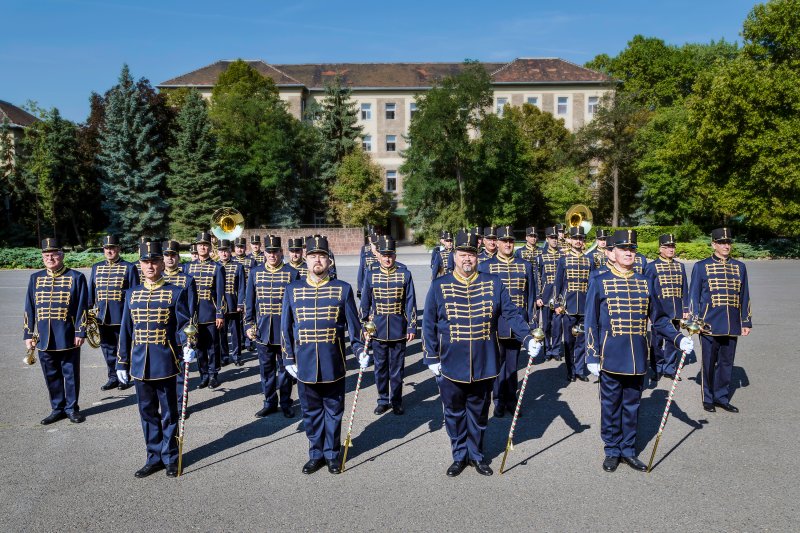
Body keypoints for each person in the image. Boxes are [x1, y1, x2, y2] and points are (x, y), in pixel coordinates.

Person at [423, 230, 542, 477]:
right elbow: (429, 324)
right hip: (450, 362)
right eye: (462, 254)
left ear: (477, 256)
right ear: (454, 256)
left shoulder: (493, 282)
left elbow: (510, 314)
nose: (467, 258)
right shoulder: (439, 285)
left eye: (471, 254)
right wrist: (431, 357)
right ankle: (459, 455)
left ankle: (476, 455)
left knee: (478, 413)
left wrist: (528, 337)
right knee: (454, 413)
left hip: (484, 361)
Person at [585, 230, 694, 472]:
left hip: (636, 356)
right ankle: (612, 450)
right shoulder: (599, 280)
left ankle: (628, 449)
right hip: (610, 354)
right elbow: (590, 322)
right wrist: (591, 355)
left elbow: (659, 319)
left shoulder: (645, 281)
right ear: (612, 253)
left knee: (632, 405)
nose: (628, 253)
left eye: (632, 249)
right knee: (611, 406)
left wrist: (678, 338)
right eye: (623, 249)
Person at [281, 236, 366, 475]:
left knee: (334, 410)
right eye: (312, 256)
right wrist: (288, 358)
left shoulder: (343, 289)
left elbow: (354, 327)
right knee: (310, 411)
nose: (317, 260)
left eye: (322, 256)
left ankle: (332, 453)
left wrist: (359, 351)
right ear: (305, 260)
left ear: (329, 261)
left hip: (333, 362)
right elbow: (286, 328)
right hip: (304, 363)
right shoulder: (292, 289)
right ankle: (315, 453)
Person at [116, 240, 193, 478]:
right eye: (145, 261)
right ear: (140, 264)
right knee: (147, 412)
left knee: (170, 413)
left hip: (166, 362)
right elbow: (126, 330)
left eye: (154, 261)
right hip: (140, 363)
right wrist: (121, 362)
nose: (150, 266)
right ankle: (153, 457)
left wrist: (189, 345)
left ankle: (170, 456)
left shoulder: (176, 292)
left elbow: (185, 326)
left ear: (161, 263)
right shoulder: (131, 294)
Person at [24, 238, 89, 425]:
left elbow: (81, 308)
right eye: (46, 255)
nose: (49, 258)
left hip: (68, 335)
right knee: (51, 374)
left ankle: (71, 408)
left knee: (70, 374)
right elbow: (29, 308)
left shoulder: (76, 277)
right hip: (44, 337)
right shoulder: (35, 278)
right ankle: (57, 408)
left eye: (53, 254)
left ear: (61, 255)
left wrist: (80, 331)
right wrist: (28, 334)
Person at [689, 227, 752, 413]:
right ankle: (708, 398)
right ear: (713, 244)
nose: (726, 245)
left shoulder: (740, 267)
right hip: (709, 323)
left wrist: (745, 321)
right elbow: (694, 296)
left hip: (732, 323)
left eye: (728, 242)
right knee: (708, 363)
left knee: (726, 363)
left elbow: (744, 296)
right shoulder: (701, 266)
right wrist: (694, 322)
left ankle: (721, 397)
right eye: (722, 242)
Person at [478, 226, 537, 418]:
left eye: (511, 241)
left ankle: (511, 400)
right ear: (498, 243)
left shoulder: (525, 265)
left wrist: (530, 323)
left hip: (518, 323)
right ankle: (498, 401)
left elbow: (530, 296)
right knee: (497, 363)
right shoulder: (486, 266)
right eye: (504, 241)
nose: (508, 244)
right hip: (496, 324)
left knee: (512, 364)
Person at [360, 236, 417, 415]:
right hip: (377, 329)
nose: (387, 258)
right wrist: (364, 327)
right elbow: (364, 304)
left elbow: (410, 303)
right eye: (384, 255)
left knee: (397, 368)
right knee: (380, 368)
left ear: (394, 255)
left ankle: (397, 400)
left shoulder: (405, 274)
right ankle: (383, 399)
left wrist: (412, 327)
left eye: (390, 255)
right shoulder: (371, 275)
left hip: (398, 329)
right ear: (380, 255)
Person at [246, 235, 299, 418]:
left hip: (284, 331)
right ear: (264, 253)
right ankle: (269, 402)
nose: (272, 255)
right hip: (262, 331)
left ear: (281, 252)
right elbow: (250, 302)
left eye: (275, 251)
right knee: (266, 370)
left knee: (285, 370)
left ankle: (285, 402)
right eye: (269, 251)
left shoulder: (291, 273)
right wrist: (248, 323)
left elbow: (296, 305)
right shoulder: (255, 272)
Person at [88, 234, 139, 391]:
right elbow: (92, 290)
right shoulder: (96, 267)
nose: (109, 251)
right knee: (106, 347)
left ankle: (124, 376)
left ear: (118, 249)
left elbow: (134, 293)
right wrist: (88, 311)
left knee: (121, 347)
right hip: (102, 315)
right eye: (107, 248)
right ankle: (112, 377)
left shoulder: (129, 267)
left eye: (113, 248)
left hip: (122, 315)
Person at [644, 234, 689, 381]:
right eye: (667, 247)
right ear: (660, 248)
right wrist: (648, 312)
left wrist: (686, 308)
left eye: (672, 246)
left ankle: (670, 368)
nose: (671, 249)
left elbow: (685, 290)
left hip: (675, 310)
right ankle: (657, 368)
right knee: (656, 342)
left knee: (672, 341)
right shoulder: (651, 267)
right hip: (659, 311)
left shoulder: (679, 266)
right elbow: (648, 291)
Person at [185, 232, 225, 388]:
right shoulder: (188, 267)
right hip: (193, 314)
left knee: (213, 345)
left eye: (205, 244)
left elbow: (221, 293)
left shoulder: (217, 267)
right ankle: (203, 374)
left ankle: (214, 374)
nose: (202, 247)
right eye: (200, 244)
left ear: (210, 247)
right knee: (199, 346)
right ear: (196, 247)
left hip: (210, 312)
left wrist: (220, 313)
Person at [554, 226, 594, 383]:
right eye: (576, 238)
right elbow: (558, 283)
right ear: (570, 240)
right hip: (568, 307)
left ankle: (579, 370)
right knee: (569, 341)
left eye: (581, 238)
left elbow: (593, 285)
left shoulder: (590, 260)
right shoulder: (563, 260)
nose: (578, 241)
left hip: (584, 308)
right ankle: (570, 370)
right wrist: (557, 303)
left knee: (582, 341)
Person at [162, 240, 198, 410]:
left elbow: (191, 312)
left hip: (178, 335)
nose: (170, 259)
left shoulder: (187, 280)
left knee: (179, 372)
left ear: (178, 257)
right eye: (166, 255)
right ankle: (166, 404)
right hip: (159, 334)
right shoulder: (157, 279)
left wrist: (189, 337)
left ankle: (179, 405)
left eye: (173, 255)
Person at [216, 239, 246, 366]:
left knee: (236, 332)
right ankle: (224, 356)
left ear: (230, 251)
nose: (224, 254)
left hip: (233, 303)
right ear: (218, 252)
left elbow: (241, 287)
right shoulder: (215, 267)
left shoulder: (238, 266)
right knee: (221, 333)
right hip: (219, 305)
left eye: (226, 251)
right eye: (221, 251)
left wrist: (240, 303)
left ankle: (237, 356)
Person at [539, 226, 563, 361]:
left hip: (559, 297)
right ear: (547, 239)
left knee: (558, 325)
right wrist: (538, 296)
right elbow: (537, 277)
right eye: (552, 238)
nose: (554, 240)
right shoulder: (541, 256)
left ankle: (556, 349)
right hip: (546, 295)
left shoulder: (563, 255)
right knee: (546, 325)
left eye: (556, 237)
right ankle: (547, 350)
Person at [357, 233, 379, 298]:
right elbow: (361, 271)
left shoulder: (382, 253)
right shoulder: (365, 249)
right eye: (369, 237)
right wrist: (360, 288)